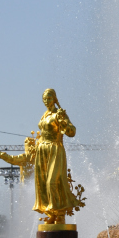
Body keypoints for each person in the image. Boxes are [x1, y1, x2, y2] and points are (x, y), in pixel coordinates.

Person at [33, 88, 84, 224]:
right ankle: (52, 213)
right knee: (42, 183)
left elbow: (72, 132)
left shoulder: (59, 114)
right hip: (42, 151)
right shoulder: (45, 115)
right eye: (44, 99)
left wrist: (63, 122)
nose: (46, 101)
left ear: (54, 99)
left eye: (49, 98)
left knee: (52, 182)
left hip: (55, 149)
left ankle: (60, 214)